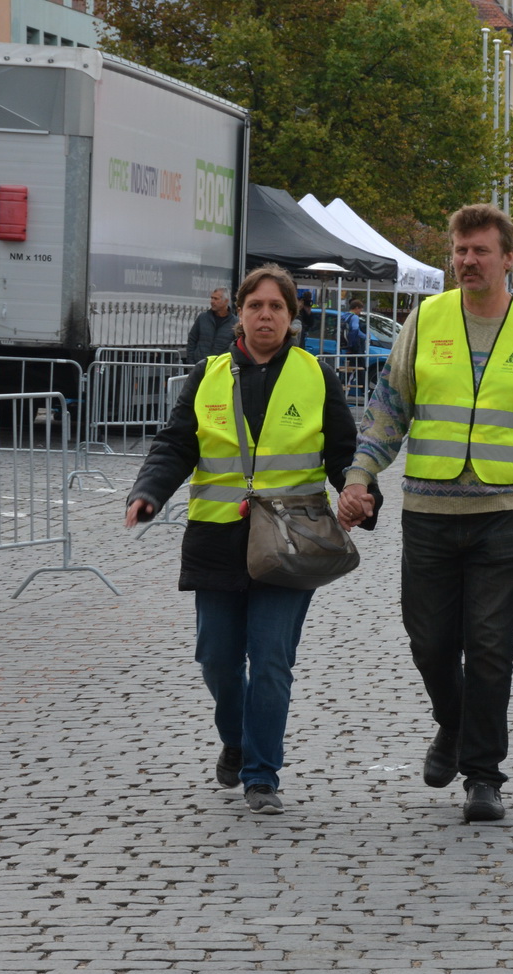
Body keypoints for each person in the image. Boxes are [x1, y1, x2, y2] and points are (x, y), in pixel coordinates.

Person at [334, 203, 513, 824]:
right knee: (429, 641)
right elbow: (387, 409)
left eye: (480, 250)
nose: (466, 261)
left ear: (508, 257)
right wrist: (359, 474)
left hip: (506, 512)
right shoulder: (426, 320)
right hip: (429, 510)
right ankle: (451, 725)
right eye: (459, 250)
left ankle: (484, 774)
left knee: (488, 644)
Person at [126, 265, 373, 814]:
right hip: (217, 538)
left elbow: (344, 454)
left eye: (276, 308)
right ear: (240, 312)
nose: (266, 315)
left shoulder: (317, 375)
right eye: (256, 306)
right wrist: (148, 493)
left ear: (292, 317)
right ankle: (236, 739)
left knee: (269, 660)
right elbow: (174, 445)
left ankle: (263, 774)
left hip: (290, 541)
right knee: (216, 657)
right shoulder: (207, 375)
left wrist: (358, 493)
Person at [186, 288, 238, 365]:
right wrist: (191, 362)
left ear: (226, 301)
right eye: (211, 298)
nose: (212, 301)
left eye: (216, 299)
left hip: (220, 369)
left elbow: (236, 348)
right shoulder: (202, 318)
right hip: (199, 367)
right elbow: (192, 340)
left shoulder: (235, 323)